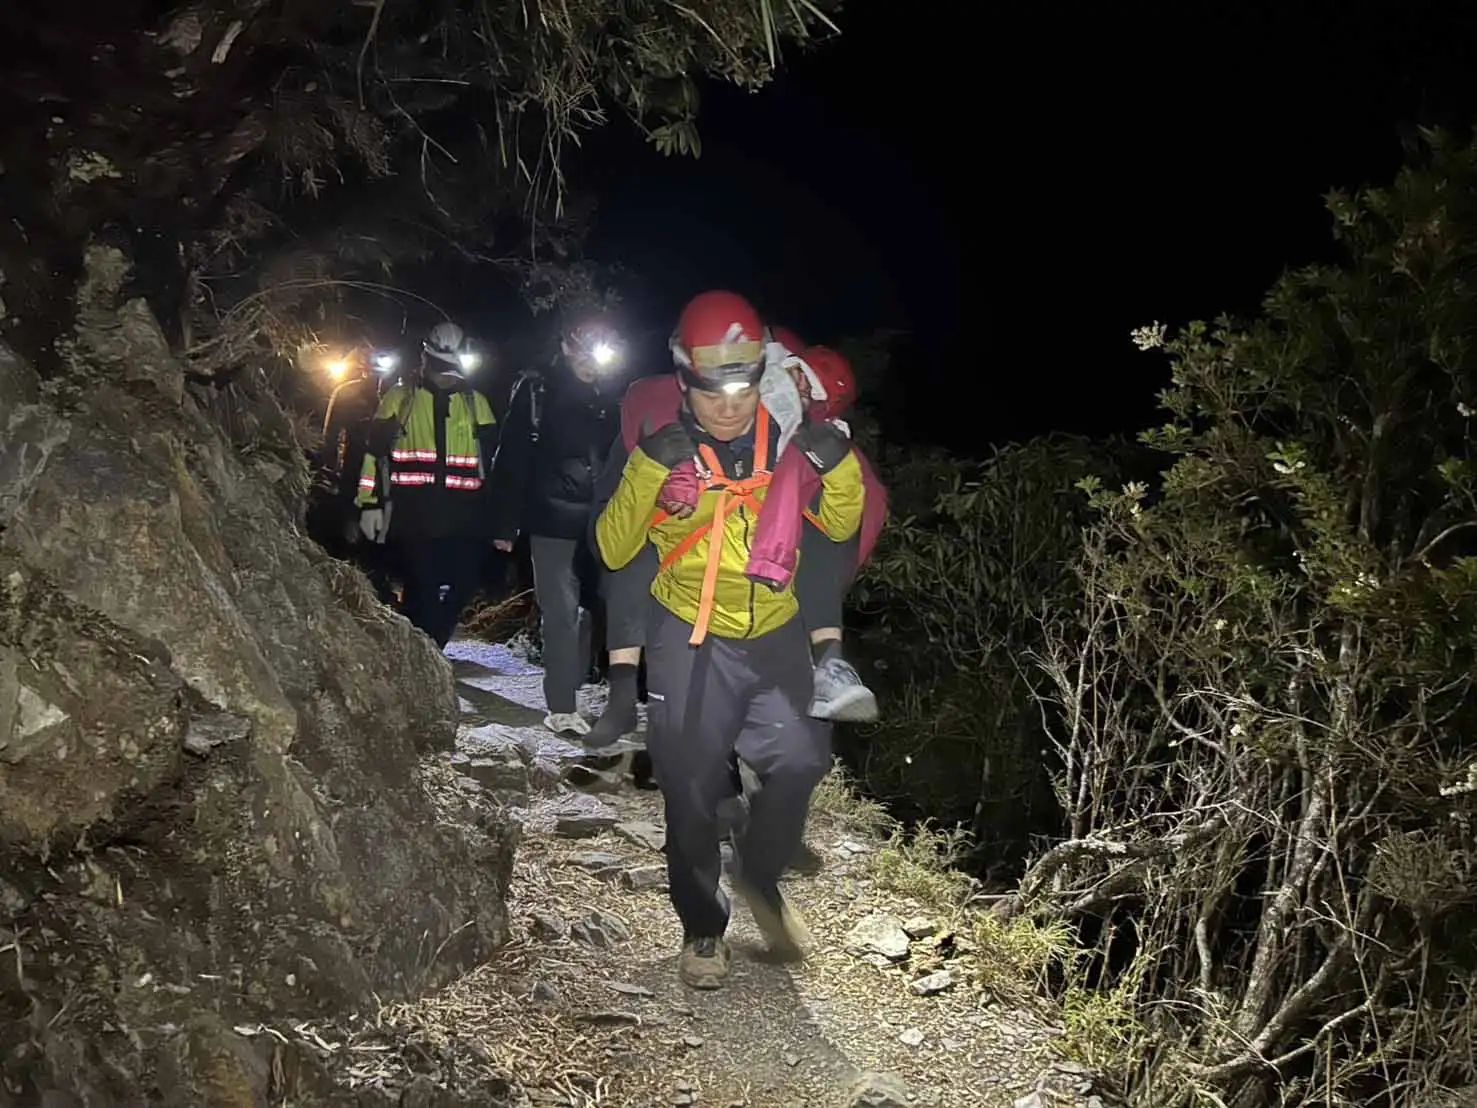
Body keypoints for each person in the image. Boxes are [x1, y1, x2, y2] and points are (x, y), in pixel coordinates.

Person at [592, 289, 866, 988]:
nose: (728, 405)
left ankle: (758, 873)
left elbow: (839, 526)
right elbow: (614, 547)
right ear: (684, 379)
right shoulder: (662, 449)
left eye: (742, 388)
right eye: (711, 389)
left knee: (801, 762)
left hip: (774, 630)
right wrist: (649, 467)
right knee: (688, 788)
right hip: (689, 636)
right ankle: (703, 929)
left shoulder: (787, 440)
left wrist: (837, 464)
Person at [585, 326, 884, 747]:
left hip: (748, 555)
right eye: (800, 376)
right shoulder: (727, 389)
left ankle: (825, 666)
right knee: (630, 561)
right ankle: (620, 697)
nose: (800, 390)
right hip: (662, 505)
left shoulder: (804, 435)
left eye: (812, 393)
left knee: (813, 541)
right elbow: (649, 403)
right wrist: (671, 468)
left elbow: (859, 508)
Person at [488, 315, 624, 736]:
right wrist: (505, 523)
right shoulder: (537, 391)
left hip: (605, 520)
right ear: (566, 348)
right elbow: (511, 457)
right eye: (582, 351)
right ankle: (563, 705)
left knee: (602, 608)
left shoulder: (616, 394)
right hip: (551, 517)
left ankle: (591, 686)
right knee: (561, 611)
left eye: (598, 352)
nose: (590, 361)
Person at [355, 321, 498, 648]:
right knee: (422, 590)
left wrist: (498, 516)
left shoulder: (476, 404)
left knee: (462, 585)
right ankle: (424, 653)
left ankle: (426, 648)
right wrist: (369, 503)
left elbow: (495, 464)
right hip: (414, 515)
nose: (444, 374)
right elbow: (374, 455)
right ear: (425, 358)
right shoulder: (400, 399)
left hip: (465, 518)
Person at [311, 345, 399, 603]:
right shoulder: (347, 394)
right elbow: (330, 435)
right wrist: (328, 467)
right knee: (350, 527)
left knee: (379, 531)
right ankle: (346, 579)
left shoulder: (398, 396)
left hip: (386, 476)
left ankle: (376, 584)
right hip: (354, 471)